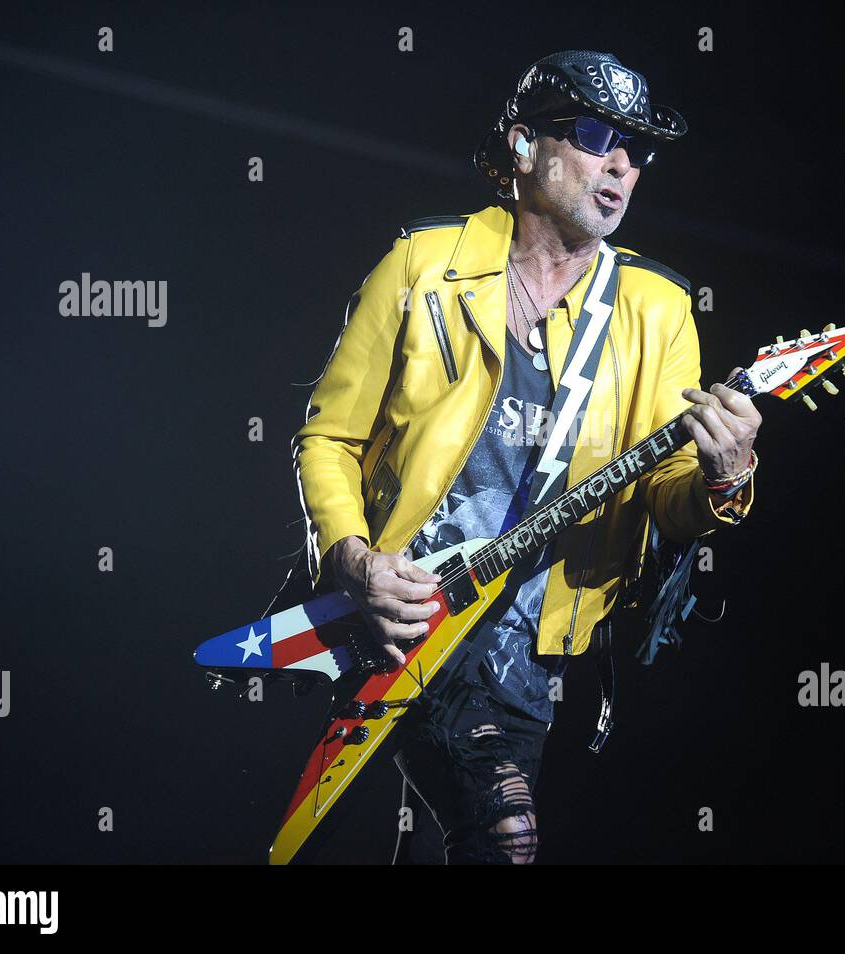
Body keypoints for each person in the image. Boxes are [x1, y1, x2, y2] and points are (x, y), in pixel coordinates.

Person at [291, 50, 760, 864]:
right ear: (522, 147)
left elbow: (669, 494)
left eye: (637, 150)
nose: (621, 163)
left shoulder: (658, 308)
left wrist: (727, 475)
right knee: (505, 831)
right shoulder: (420, 265)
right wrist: (352, 560)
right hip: (405, 616)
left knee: (479, 840)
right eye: (594, 135)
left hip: (533, 651)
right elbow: (327, 436)